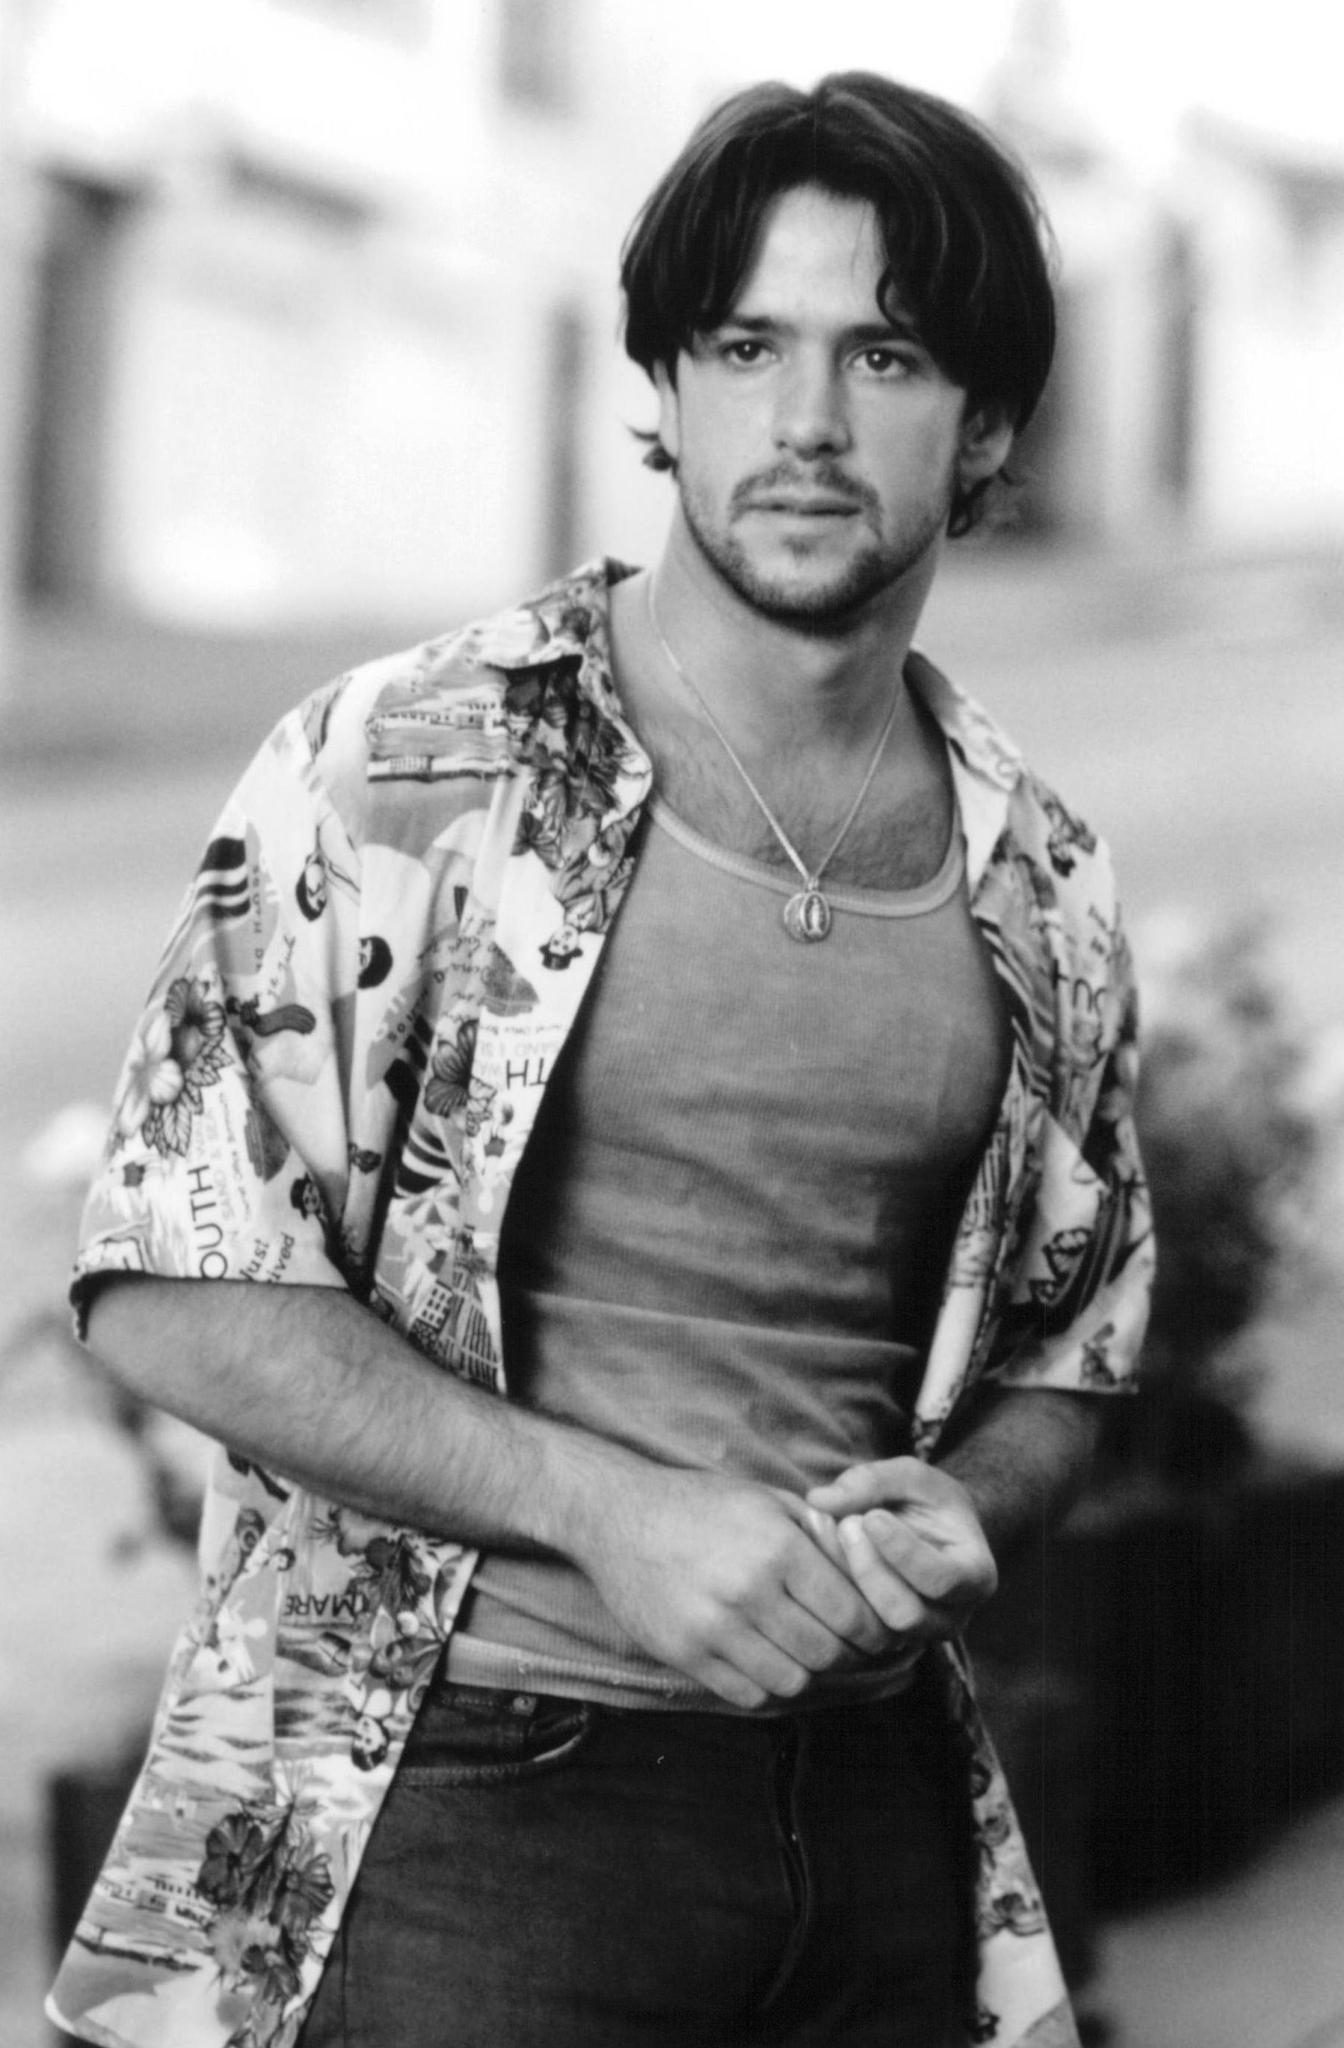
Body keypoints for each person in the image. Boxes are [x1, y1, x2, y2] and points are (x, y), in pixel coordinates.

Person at [49, 70, 1153, 2048]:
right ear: (664, 383)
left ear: (985, 424)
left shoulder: (1037, 874)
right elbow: (169, 1278)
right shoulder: (411, 765)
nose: (805, 424)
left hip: (874, 1819)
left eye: (883, 356)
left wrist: (980, 1500)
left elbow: (1079, 1336)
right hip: (467, 1809)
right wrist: (609, 1514)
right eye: (746, 347)